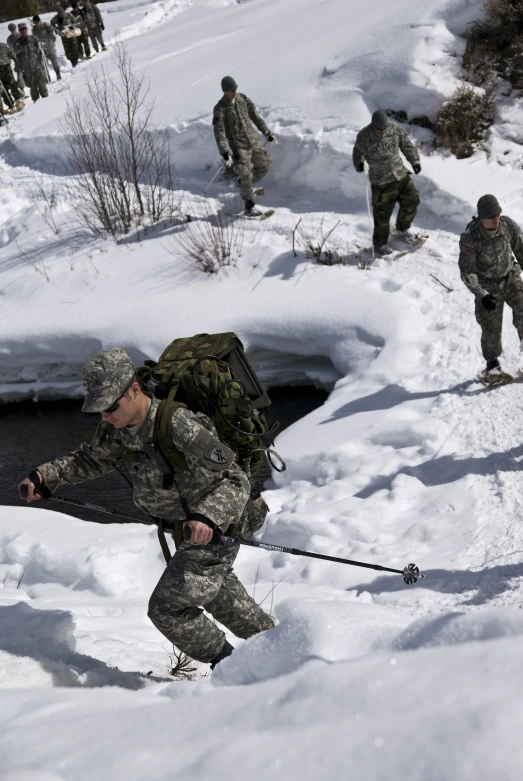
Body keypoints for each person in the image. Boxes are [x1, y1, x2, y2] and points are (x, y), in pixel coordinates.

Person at [18, 348, 274, 668]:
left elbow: (234, 480)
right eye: (99, 409)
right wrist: (46, 476)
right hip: (189, 527)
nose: (105, 415)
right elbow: (91, 459)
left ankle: (236, 670)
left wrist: (208, 516)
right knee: (217, 593)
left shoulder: (180, 424)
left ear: (134, 390)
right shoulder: (118, 429)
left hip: (217, 523)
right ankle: (278, 648)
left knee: (167, 608)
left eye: (110, 406)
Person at [459, 194, 523, 383]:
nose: (496, 219)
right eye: (491, 216)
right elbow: (467, 271)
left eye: (498, 215)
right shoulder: (470, 237)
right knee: (491, 327)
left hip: (510, 278)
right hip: (487, 285)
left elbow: (521, 251)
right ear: (481, 218)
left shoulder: (508, 225)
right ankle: (492, 367)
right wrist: (481, 294)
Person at [353, 109, 421, 256]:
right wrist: (359, 164)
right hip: (381, 181)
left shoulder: (394, 128)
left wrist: (414, 161)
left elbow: (406, 145)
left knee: (413, 200)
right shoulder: (364, 136)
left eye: (383, 128)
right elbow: (357, 154)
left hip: (399, 174)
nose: (381, 131)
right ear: (373, 125)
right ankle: (380, 244)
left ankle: (403, 228)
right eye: (379, 129)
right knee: (382, 215)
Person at [213, 76, 276, 217]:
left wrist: (266, 131)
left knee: (265, 164)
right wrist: (224, 151)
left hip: (253, 141)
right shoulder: (220, 108)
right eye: (231, 90)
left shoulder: (243, 99)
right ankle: (249, 205)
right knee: (246, 172)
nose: (235, 92)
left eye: (235, 88)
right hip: (239, 147)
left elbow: (255, 116)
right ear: (225, 91)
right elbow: (219, 131)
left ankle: (243, 185)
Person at [12, 23, 48, 103]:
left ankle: (47, 103)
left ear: (27, 29)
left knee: (43, 87)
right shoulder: (17, 43)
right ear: (19, 31)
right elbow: (15, 55)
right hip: (27, 70)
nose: (23, 31)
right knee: (33, 89)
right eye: (21, 29)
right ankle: (36, 106)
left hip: (38, 67)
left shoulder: (34, 38)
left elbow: (42, 50)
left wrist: (42, 50)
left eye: (24, 29)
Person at [32, 15, 61, 81]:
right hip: (42, 48)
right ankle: (47, 77)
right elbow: (34, 38)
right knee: (43, 63)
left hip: (50, 46)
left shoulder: (45, 25)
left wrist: (53, 39)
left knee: (54, 60)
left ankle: (58, 73)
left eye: (37, 22)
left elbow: (52, 30)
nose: (36, 24)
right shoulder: (34, 29)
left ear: (40, 21)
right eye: (35, 22)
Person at [0, 41, 23, 112]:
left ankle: (18, 102)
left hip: (6, 68)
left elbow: (12, 54)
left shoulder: (4, 46)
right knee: (2, 90)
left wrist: (17, 62)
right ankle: (10, 105)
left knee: (12, 84)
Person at [6, 23, 26, 91]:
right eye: (11, 30)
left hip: (24, 55)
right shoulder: (9, 39)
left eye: (13, 29)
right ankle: (21, 87)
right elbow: (9, 49)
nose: (13, 31)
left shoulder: (21, 35)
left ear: (16, 29)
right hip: (16, 57)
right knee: (18, 70)